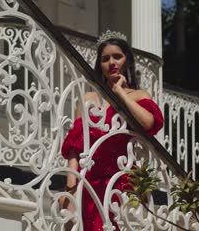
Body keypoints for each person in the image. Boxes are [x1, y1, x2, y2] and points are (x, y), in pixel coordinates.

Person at [60, 30, 164, 230]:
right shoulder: (88, 98)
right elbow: (75, 144)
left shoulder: (138, 95)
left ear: (127, 60)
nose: (112, 62)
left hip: (120, 180)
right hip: (88, 179)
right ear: (100, 64)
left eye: (117, 56)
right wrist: (71, 183)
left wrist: (120, 94)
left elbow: (148, 123)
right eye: (105, 58)